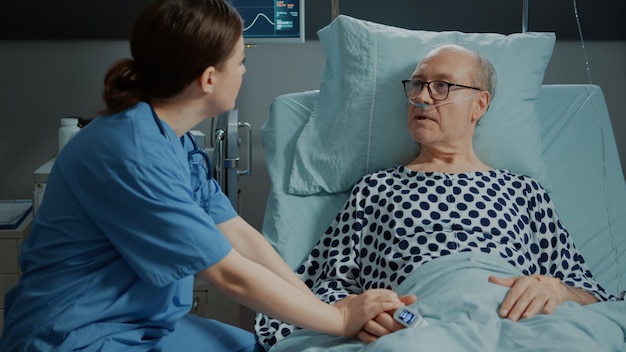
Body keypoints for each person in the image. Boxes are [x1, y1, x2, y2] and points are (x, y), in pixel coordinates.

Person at [0, 1, 410, 351]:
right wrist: (338, 320)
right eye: (241, 61)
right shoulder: (131, 151)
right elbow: (228, 273)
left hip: (147, 323)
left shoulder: (176, 141)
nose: (244, 72)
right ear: (209, 78)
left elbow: (237, 233)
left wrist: (319, 309)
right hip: (77, 334)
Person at [254, 44, 619, 350]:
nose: (422, 97)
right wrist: (357, 314)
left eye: (442, 86)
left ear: (480, 104)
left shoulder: (524, 191)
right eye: (416, 85)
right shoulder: (376, 189)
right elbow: (327, 284)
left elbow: (590, 293)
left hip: (522, 318)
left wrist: (558, 291)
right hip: (421, 320)